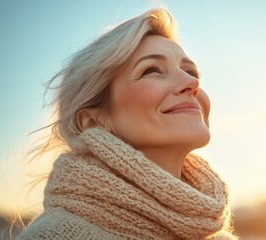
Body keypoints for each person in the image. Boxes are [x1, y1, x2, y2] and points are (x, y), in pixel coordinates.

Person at [17, 8, 236, 240]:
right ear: (92, 121)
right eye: (152, 70)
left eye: (190, 71)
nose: (191, 81)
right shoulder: (54, 236)